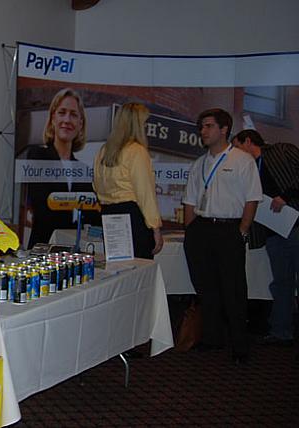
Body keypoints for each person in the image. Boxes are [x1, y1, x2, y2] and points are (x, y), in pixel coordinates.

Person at [182, 108, 262, 365]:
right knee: (206, 288)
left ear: (224, 129)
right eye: (201, 127)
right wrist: (191, 231)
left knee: (234, 290)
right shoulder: (199, 163)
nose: (203, 132)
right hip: (201, 229)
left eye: (208, 126)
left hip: (229, 229)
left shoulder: (242, 161)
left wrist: (242, 230)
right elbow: (190, 201)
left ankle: (240, 346)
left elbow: (252, 198)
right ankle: (212, 338)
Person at [232, 129, 299, 347]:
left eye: (237, 146)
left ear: (248, 141)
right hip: (273, 233)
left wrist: (286, 196)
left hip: (296, 226)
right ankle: (281, 331)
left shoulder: (282, 151)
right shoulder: (246, 170)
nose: (235, 152)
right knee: (281, 283)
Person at [25, 88, 98, 248]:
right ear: (52, 118)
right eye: (62, 112)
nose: (67, 119)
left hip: (75, 251)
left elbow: (92, 215)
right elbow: (43, 208)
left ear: (80, 124)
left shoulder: (83, 170)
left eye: (73, 114)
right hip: (42, 249)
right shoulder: (37, 156)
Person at [93, 102, 163, 259]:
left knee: (118, 268)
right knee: (139, 270)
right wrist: (155, 227)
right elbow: (145, 193)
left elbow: (96, 186)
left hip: (108, 215)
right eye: (144, 123)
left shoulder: (104, 151)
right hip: (133, 217)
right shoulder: (137, 151)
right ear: (138, 124)